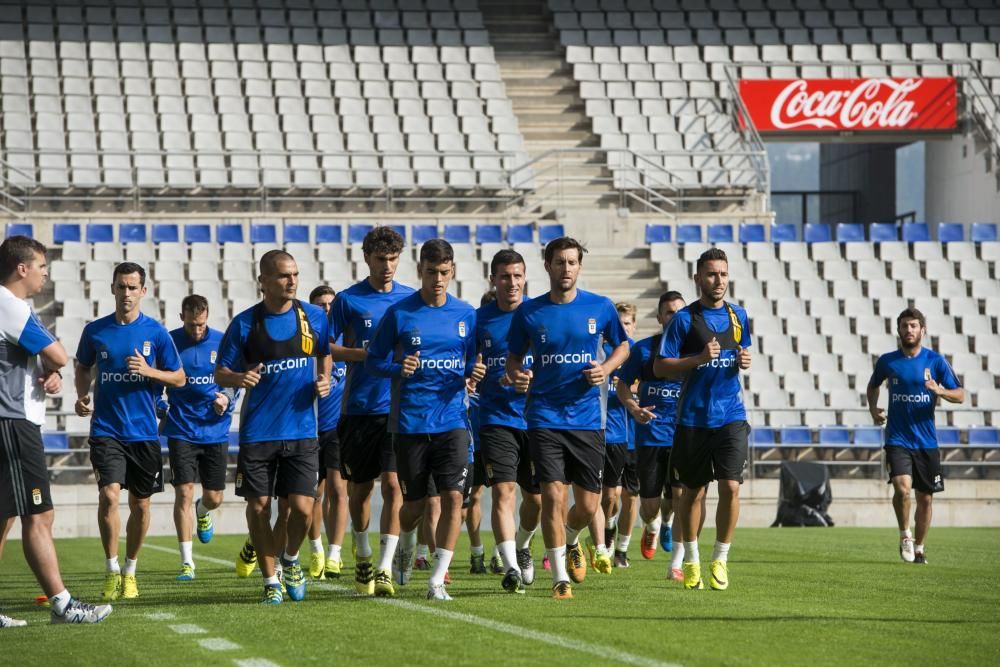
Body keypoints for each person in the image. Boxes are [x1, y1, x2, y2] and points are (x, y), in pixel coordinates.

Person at [506, 237, 630, 600]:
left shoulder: (601, 307)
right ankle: (559, 577)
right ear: (547, 266)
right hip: (544, 416)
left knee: (590, 506)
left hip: (588, 419)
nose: (566, 269)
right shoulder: (529, 313)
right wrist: (518, 375)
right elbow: (514, 359)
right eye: (559, 262)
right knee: (552, 496)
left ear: (579, 266)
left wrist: (606, 368)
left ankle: (574, 538)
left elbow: (623, 346)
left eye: (572, 263)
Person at [0, 235, 111, 626]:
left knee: (6, 517)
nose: (46, 275)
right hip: (12, 423)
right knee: (39, 513)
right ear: (22, 268)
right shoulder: (9, 305)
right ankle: (62, 603)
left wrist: (48, 374)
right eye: (42, 267)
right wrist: (53, 365)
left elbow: (43, 363)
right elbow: (60, 354)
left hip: (11, 418)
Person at [366, 239, 482, 601]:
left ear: (453, 272)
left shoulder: (466, 315)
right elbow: (373, 360)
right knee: (414, 506)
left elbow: (470, 362)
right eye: (431, 272)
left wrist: (472, 371)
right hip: (411, 424)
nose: (438, 279)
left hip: (452, 421)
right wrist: (398, 367)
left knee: (452, 498)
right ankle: (403, 543)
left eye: (444, 273)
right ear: (420, 271)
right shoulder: (400, 313)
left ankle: (436, 579)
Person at [215, 250, 331, 605]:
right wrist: (239, 376)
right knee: (260, 507)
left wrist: (324, 379)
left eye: (295, 274)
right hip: (258, 432)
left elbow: (324, 352)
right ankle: (270, 581)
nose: (292, 281)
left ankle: (291, 559)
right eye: (283, 276)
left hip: (301, 430)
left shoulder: (313, 318)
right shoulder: (245, 323)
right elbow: (220, 372)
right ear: (263, 281)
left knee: (303, 507)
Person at [75, 262, 185, 601]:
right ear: (112, 289)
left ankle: (130, 570)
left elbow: (179, 378)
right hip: (106, 429)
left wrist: (151, 371)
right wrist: (82, 395)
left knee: (140, 505)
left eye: (132, 287)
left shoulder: (156, 333)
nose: (126, 293)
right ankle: (110, 570)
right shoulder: (95, 330)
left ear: (143, 291)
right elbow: (82, 366)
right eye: (121, 287)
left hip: (143, 434)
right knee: (109, 495)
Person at [653, 248, 751, 591]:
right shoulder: (683, 320)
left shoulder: (739, 317)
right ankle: (691, 557)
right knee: (692, 495)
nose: (718, 280)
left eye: (723, 274)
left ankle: (720, 559)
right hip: (693, 419)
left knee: (731, 486)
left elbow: (740, 351)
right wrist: (695, 358)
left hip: (731, 415)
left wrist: (743, 360)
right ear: (698, 279)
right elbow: (660, 367)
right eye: (711, 274)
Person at [328, 227, 412, 596]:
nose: (388, 266)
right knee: (360, 490)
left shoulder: (411, 301)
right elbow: (325, 347)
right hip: (358, 408)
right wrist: (367, 356)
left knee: (394, 485)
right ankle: (361, 554)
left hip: (397, 408)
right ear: (366, 258)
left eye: (393, 259)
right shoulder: (348, 300)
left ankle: (383, 567)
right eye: (381, 259)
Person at [619, 291, 705, 581]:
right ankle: (654, 526)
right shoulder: (644, 350)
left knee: (681, 498)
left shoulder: (695, 353)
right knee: (650, 507)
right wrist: (633, 407)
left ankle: (676, 565)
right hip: (649, 438)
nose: (674, 317)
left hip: (682, 436)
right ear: (659, 318)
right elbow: (622, 385)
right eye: (668, 312)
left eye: (679, 312)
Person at [867, 308, 963, 565]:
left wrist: (939, 390)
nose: (908, 330)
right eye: (904, 326)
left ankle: (919, 547)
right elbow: (873, 384)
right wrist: (873, 408)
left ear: (923, 329)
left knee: (926, 498)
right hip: (898, 438)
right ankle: (905, 535)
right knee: (902, 488)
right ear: (898, 330)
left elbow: (961, 395)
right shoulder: (888, 361)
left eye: (913, 325)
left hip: (927, 442)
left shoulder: (936, 361)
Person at [475, 253, 542, 594]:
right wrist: (479, 377)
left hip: (537, 419)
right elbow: (466, 365)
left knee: (536, 501)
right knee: (504, 490)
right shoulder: (479, 320)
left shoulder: (540, 314)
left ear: (525, 277)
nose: (512, 283)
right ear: (493, 279)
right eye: (505, 277)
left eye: (517, 276)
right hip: (495, 417)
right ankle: (511, 568)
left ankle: (524, 544)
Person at [159, 295, 237, 581]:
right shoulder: (169, 342)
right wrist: (162, 407)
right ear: (182, 317)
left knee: (215, 497)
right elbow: (155, 380)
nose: (197, 330)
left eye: (201, 325)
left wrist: (226, 399)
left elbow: (234, 379)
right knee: (183, 492)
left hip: (215, 428)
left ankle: (203, 511)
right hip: (181, 428)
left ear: (207, 317)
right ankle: (187, 563)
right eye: (192, 325)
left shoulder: (221, 340)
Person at [594, 302, 638, 570]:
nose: (623, 328)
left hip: (626, 435)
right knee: (600, 496)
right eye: (619, 323)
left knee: (624, 496)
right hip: (597, 433)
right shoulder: (601, 352)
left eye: (628, 323)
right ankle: (601, 535)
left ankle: (618, 545)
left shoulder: (634, 352)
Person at [310, 286, 348, 578]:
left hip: (338, 427)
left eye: (329, 304)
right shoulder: (304, 344)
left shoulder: (347, 343)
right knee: (313, 495)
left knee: (339, 488)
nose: (325, 308)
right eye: (320, 304)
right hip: (308, 428)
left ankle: (335, 553)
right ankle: (316, 550)